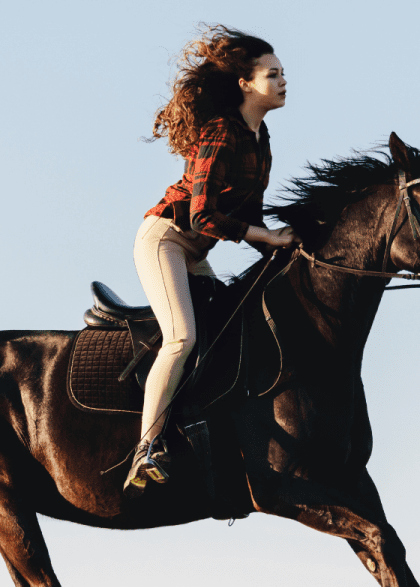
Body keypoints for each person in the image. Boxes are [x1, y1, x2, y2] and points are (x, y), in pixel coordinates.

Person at [126, 25, 294, 495]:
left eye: (283, 73)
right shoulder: (222, 130)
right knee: (182, 338)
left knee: (224, 334)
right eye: (272, 74)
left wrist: (290, 248)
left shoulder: (260, 138)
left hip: (196, 251)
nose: (283, 81)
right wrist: (267, 236)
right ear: (245, 84)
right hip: (166, 239)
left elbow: (250, 218)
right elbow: (202, 216)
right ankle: (145, 450)